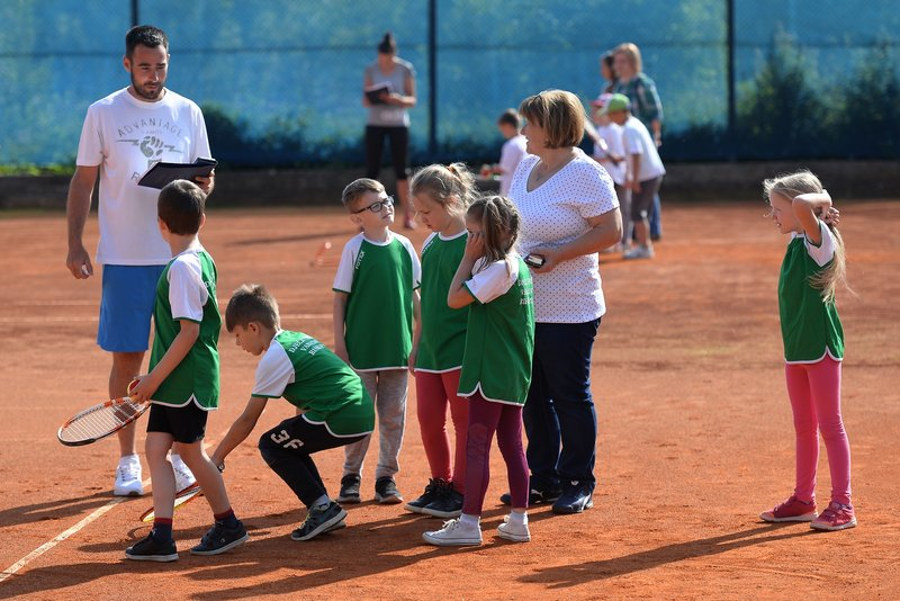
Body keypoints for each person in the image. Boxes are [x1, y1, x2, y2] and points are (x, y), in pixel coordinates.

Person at [64, 24, 212, 497]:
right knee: (128, 356)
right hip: (126, 256)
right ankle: (127, 459)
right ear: (127, 64)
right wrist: (75, 242)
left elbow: (203, 179)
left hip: (180, 255)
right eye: (144, 65)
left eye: (161, 65)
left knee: (178, 357)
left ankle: (179, 453)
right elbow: (83, 182)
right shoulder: (103, 112)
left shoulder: (188, 111)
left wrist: (205, 187)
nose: (153, 74)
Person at [507, 89, 622, 515]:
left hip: (572, 304)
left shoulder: (587, 174)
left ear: (552, 127)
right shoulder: (525, 166)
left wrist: (559, 253)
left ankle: (578, 479)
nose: (523, 131)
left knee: (569, 394)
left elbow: (610, 231)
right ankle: (544, 478)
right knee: (532, 394)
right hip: (523, 303)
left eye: (530, 123)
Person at [125, 180, 247, 561]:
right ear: (203, 220)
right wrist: (154, 379)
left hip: (185, 379)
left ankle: (228, 523)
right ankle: (162, 535)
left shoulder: (182, 268)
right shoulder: (201, 258)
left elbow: (189, 332)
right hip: (177, 380)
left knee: (191, 454)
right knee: (156, 448)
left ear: (160, 223)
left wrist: (152, 379)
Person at [211, 284, 375, 541]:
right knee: (289, 438)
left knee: (270, 444)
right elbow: (307, 401)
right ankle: (323, 507)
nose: (238, 343)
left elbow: (247, 420)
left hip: (341, 414)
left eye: (238, 335)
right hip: (360, 410)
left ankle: (321, 507)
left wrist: (217, 458)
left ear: (253, 327)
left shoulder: (275, 356)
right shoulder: (296, 339)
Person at [423, 196, 535, 546]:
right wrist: (476, 256)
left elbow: (453, 297)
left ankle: (469, 523)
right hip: (512, 371)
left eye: (474, 233)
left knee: (477, 446)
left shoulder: (497, 270)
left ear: (495, 232)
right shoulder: (517, 265)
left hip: (490, 371)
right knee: (513, 446)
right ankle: (518, 519)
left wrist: (468, 258)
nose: (470, 240)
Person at [759, 170, 856, 532]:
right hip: (797, 349)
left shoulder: (820, 239)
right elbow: (800, 209)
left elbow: (802, 205)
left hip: (821, 347)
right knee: (804, 426)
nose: (774, 216)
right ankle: (803, 499)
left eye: (777, 209)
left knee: (831, 425)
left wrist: (823, 202)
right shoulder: (799, 240)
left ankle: (843, 504)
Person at [333, 178, 421, 505]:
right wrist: (340, 345)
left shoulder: (405, 246)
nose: (386, 207)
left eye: (386, 200)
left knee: (393, 416)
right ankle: (350, 476)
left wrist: (418, 341)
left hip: (398, 351)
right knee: (360, 416)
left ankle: (386, 477)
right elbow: (340, 299)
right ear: (357, 217)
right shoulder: (354, 249)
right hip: (361, 350)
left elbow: (416, 298)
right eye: (375, 205)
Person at [405, 163, 477, 519]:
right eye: (418, 212)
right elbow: (426, 300)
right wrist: (417, 344)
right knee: (429, 420)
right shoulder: (431, 241)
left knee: (464, 423)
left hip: (461, 347)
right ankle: (440, 483)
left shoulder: (473, 241)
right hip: (431, 348)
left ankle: (462, 491)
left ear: (451, 200)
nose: (421, 219)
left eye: (427, 211)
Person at [363, 31, 417, 229]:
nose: (384, 63)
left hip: (398, 125)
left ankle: (408, 215)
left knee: (402, 172)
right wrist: (375, 97)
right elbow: (365, 99)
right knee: (372, 171)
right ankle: (368, 213)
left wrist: (396, 99)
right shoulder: (371, 69)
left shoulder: (405, 69)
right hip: (375, 124)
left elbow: (412, 100)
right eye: (382, 59)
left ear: (393, 55)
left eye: (388, 59)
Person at [601, 93, 665, 260]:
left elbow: (636, 154)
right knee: (640, 211)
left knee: (638, 212)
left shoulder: (629, 129)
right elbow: (632, 154)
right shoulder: (633, 125)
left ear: (620, 112)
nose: (609, 117)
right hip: (650, 174)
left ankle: (645, 248)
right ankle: (645, 245)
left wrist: (634, 179)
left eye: (610, 113)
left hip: (647, 176)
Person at [612, 42, 664, 241]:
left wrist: (655, 138)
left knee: (647, 184)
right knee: (639, 186)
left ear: (633, 62)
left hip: (643, 142)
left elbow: (655, 114)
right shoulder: (620, 86)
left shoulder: (642, 83)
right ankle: (639, 230)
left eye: (623, 61)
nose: (618, 65)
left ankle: (653, 229)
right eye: (617, 61)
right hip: (628, 143)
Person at [589, 93, 629, 250]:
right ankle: (613, 243)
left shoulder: (614, 130)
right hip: (605, 178)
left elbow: (620, 157)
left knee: (621, 211)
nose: (595, 112)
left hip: (617, 177)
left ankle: (623, 242)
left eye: (599, 108)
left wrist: (598, 159)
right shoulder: (602, 130)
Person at [492, 109, 528, 197]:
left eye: (503, 129)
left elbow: (503, 168)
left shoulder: (511, 145)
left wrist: (490, 170)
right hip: (525, 189)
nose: (503, 133)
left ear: (508, 126)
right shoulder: (526, 141)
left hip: (511, 192)